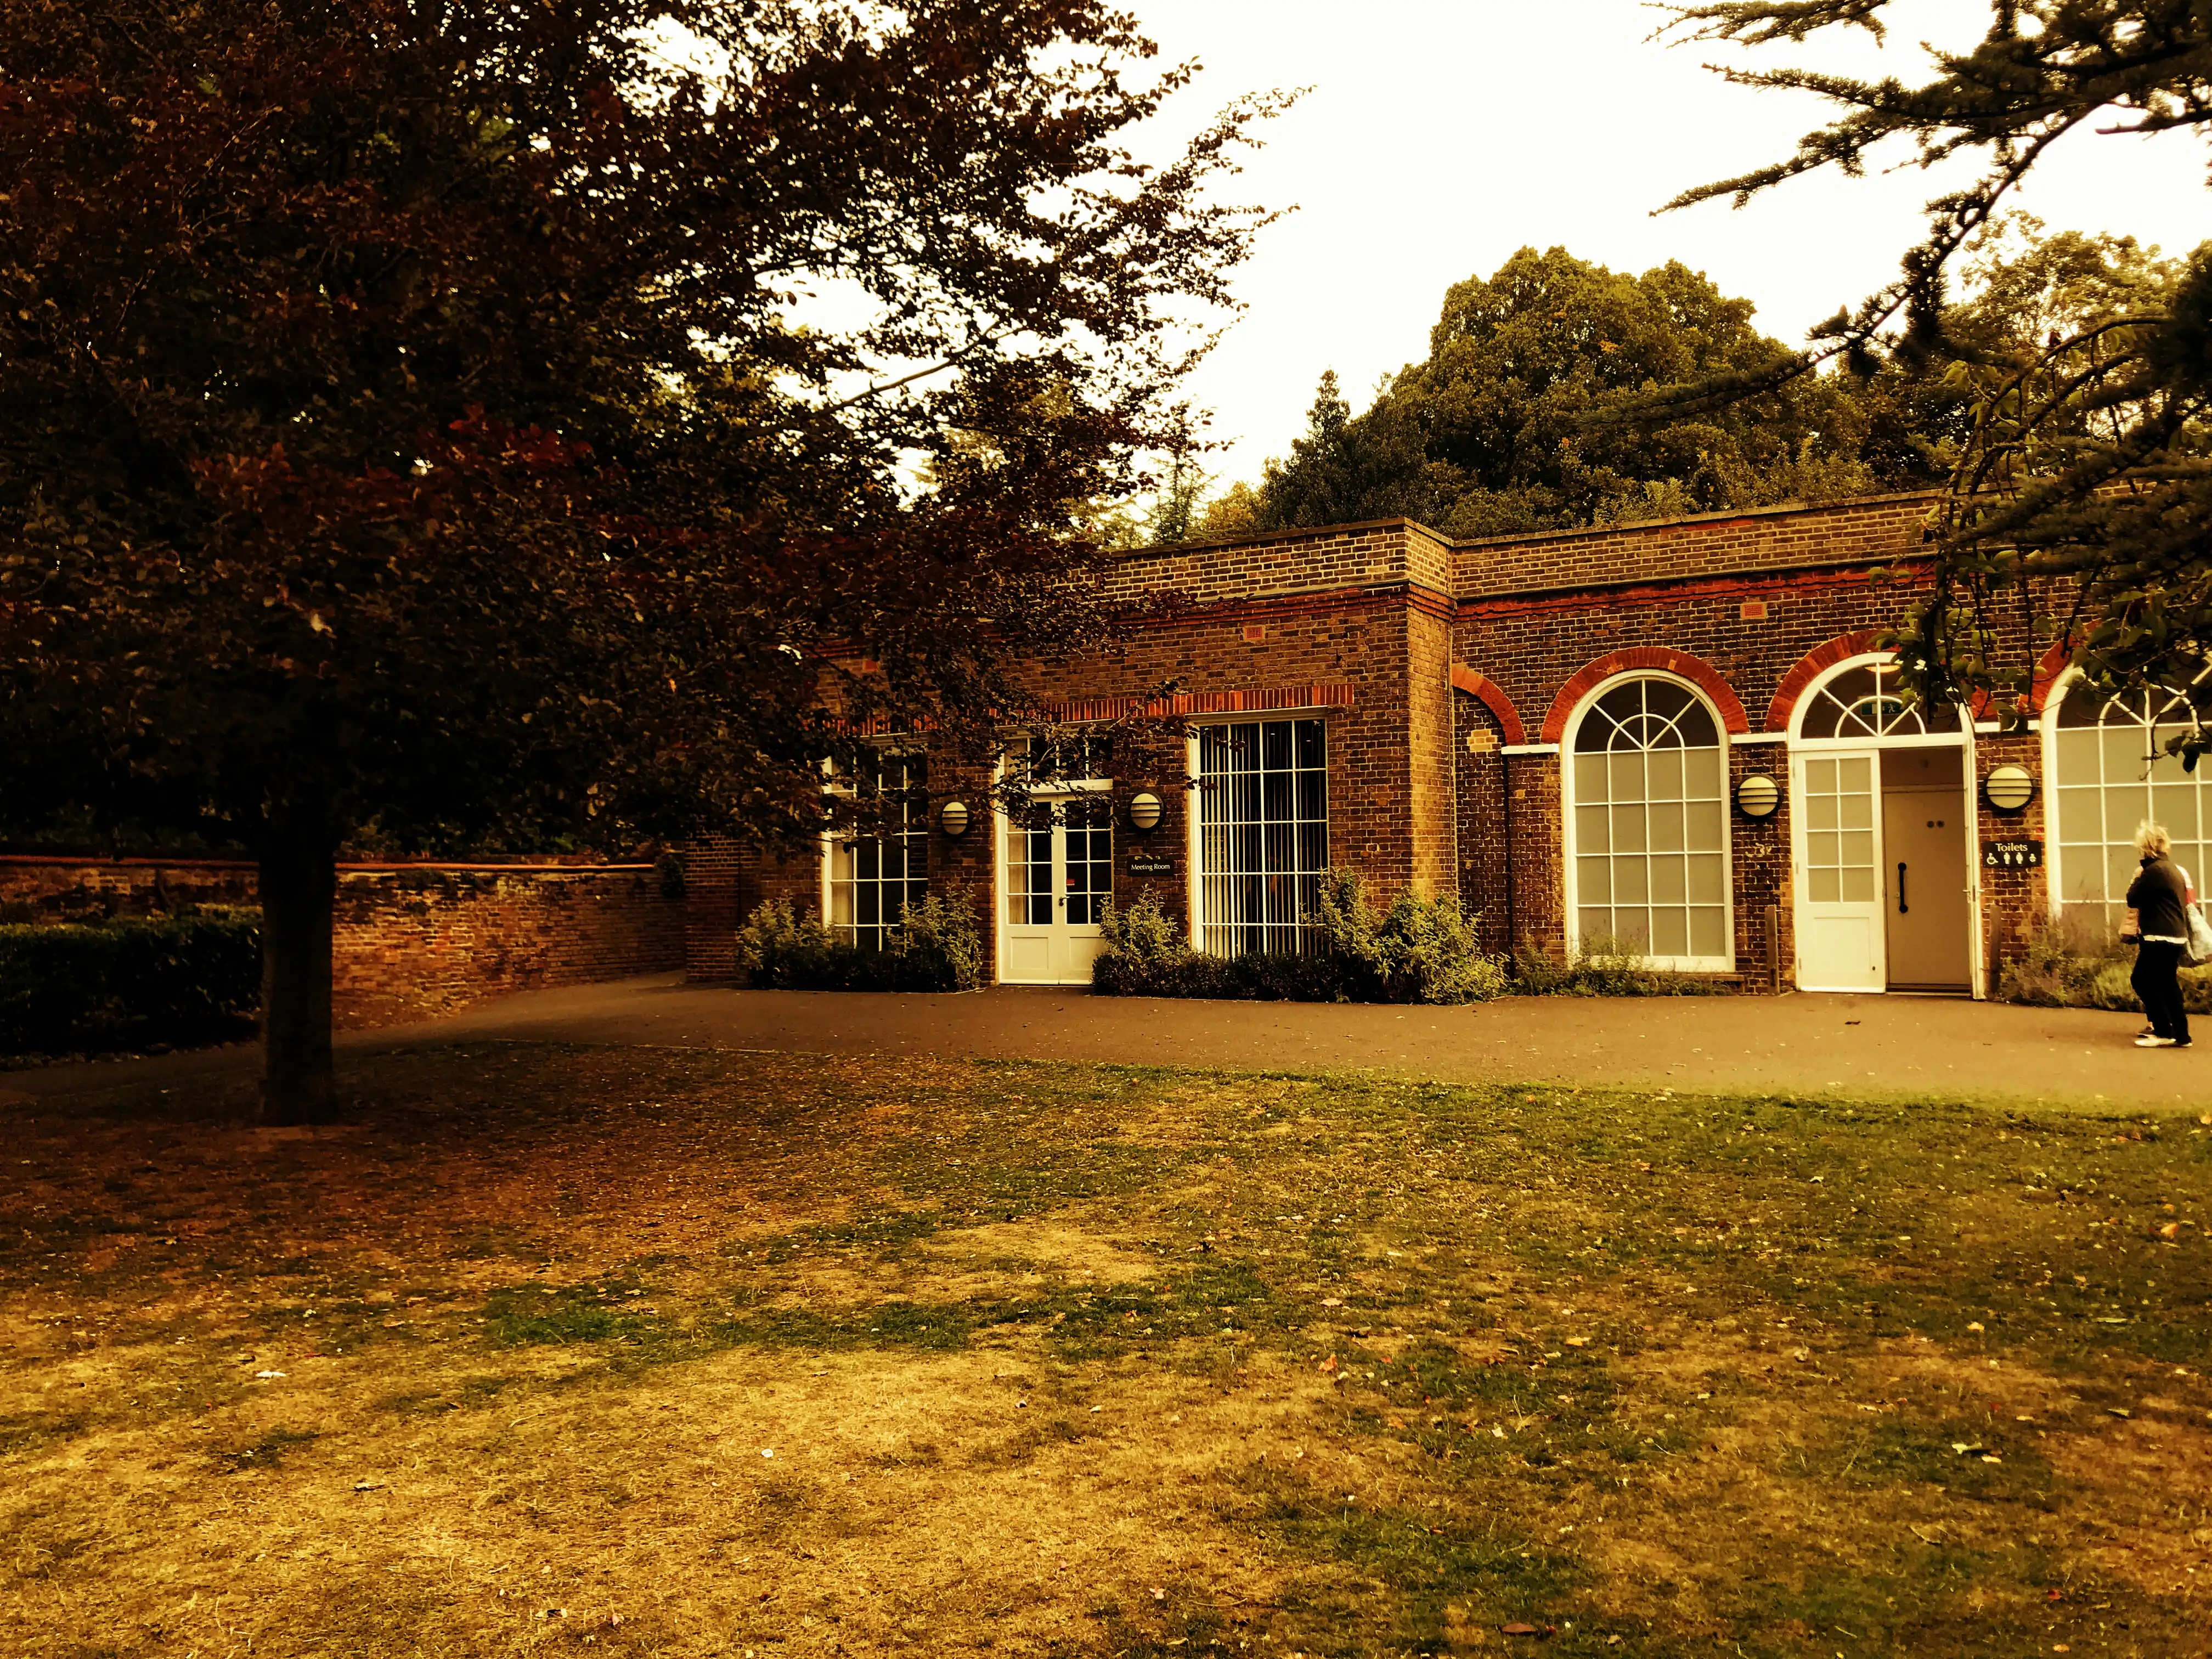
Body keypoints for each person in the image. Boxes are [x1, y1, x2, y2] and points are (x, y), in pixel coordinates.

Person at [2124, 821, 2192, 1049]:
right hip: (2174, 935)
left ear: (2145, 846)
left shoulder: (2153, 871)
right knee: (2168, 984)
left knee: (2142, 980)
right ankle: (2182, 1036)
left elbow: (2132, 898)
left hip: (2158, 937)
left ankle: (2163, 1030)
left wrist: (2138, 877)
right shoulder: (2172, 869)